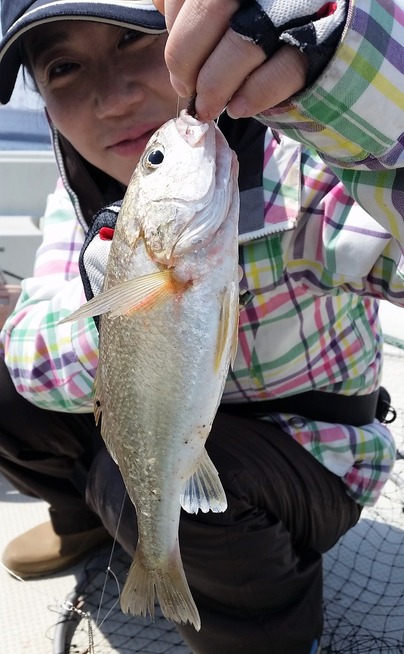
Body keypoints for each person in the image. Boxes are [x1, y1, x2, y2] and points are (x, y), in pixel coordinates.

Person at [0, 1, 402, 652]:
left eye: (136, 42)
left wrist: (351, 73)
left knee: (138, 490)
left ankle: (263, 627)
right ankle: (86, 525)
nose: (112, 97)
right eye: (66, 66)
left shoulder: (309, 168)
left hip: (303, 452)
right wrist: (118, 310)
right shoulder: (77, 195)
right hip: (169, 420)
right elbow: (28, 361)